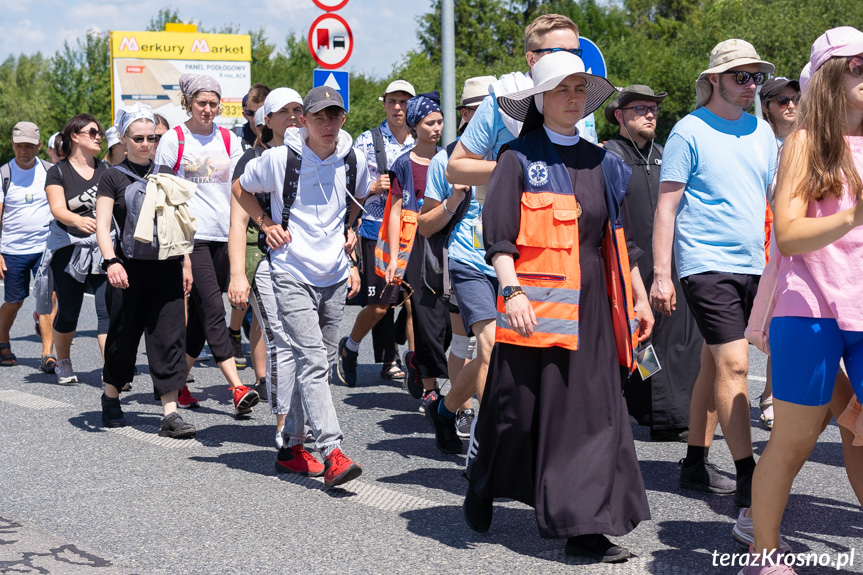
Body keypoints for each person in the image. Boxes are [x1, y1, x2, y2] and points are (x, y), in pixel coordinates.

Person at [463, 51, 653, 563]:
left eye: (579, 89)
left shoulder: (605, 162)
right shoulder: (516, 158)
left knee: (593, 414)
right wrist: (511, 291)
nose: (572, 97)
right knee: (517, 414)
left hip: (594, 308)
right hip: (534, 306)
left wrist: (638, 295)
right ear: (541, 99)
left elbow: (623, 239)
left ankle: (585, 528)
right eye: (562, 88)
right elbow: (498, 238)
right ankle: (483, 480)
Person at [740, 27, 863, 574]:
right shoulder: (805, 143)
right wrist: (852, 215)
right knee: (793, 438)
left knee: (860, 432)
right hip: (807, 308)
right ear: (832, 78)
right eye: (857, 67)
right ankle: (764, 553)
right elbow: (788, 235)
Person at [445, 12, 584, 465]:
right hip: (483, 250)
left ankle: (446, 409)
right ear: (531, 58)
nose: (570, 63)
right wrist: (518, 171)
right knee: (490, 346)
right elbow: (456, 167)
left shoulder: (579, 104)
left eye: (576, 54)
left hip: (547, 260)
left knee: (514, 358)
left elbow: (585, 172)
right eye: (558, 53)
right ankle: (492, 455)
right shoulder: (501, 101)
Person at [650, 39, 778, 508]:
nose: (750, 86)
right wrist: (661, 274)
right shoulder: (688, 131)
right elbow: (666, 208)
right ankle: (749, 479)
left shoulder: (762, 132)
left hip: (754, 264)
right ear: (714, 80)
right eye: (740, 77)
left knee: (714, 363)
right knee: (736, 364)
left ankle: (694, 462)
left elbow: (778, 201)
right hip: (705, 265)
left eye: (756, 77)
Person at [233, 86, 369, 488]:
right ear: (304, 121)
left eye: (334, 116)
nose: (327, 125)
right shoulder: (279, 160)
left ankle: (292, 446)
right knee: (311, 360)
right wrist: (267, 225)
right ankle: (332, 451)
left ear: (343, 119)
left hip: (334, 276)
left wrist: (350, 232)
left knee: (321, 364)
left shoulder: (353, 158)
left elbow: (357, 201)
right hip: (290, 272)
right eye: (319, 117)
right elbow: (240, 189)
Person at [153, 73, 259, 416]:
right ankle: (236, 386)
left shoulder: (229, 139)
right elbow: (162, 196)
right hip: (190, 238)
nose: (208, 109)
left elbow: (241, 188)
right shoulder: (174, 139)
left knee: (200, 318)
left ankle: (175, 384)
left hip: (225, 236)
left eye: (214, 103)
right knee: (214, 307)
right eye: (202, 103)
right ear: (188, 103)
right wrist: (180, 251)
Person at [603, 86, 702, 442]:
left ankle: (672, 415)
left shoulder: (665, 156)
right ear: (619, 116)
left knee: (674, 340)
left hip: (666, 263)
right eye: (641, 109)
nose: (650, 115)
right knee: (639, 341)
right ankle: (644, 409)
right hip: (626, 264)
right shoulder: (608, 156)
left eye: (654, 110)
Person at [95, 103, 196, 437]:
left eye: (151, 137)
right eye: (137, 138)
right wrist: (111, 261)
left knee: (169, 339)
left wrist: (186, 262)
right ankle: (111, 396)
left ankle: (170, 413)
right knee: (123, 340)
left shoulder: (166, 173)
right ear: (124, 139)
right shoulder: (112, 176)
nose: (145, 144)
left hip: (167, 267)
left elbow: (179, 225)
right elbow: (102, 224)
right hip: (128, 270)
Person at [418, 76, 496, 450]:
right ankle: (482, 431)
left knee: (490, 350)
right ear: (465, 114)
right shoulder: (444, 160)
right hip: (466, 264)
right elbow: (424, 225)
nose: (490, 117)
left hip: (510, 264)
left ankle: (447, 409)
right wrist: (452, 200)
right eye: (481, 109)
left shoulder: (511, 153)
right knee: (478, 344)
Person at [228, 87, 305, 450]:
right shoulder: (250, 161)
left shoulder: (313, 154)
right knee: (280, 340)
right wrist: (238, 274)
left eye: (298, 109)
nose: (293, 116)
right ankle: (283, 425)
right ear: (267, 120)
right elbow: (237, 223)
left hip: (306, 263)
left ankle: (304, 419)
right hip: (263, 261)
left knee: (309, 344)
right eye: (284, 111)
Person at [377, 93, 452, 415]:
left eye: (439, 122)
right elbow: (394, 211)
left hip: (447, 242)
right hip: (415, 247)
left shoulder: (450, 158)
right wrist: (394, 257)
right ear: (415, 126)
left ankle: (416, 360)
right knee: (425, 318)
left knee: (450, 323)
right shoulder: (403, 164)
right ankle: (431, 390)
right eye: (429, 123)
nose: (437, 128)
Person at [337, 80, 417, 386]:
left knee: (413, 301)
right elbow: (344, 185)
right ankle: (351, 347)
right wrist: (372, 188)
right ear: (384, 104)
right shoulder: (366, 141)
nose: (398, 107)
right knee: (381, 303)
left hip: (412, 233)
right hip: (375, 230)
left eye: (404, 101)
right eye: (393, 101)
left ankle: (414, 367)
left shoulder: (420, 138)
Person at [37, 114, 111, 385]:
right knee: (69, 311)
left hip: (101, 248)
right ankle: (64, 361)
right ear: (75, 136)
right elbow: (57, 208)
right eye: (92, 131)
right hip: (69, 248)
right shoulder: (58, 171)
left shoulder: (105, 170)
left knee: (107, 310)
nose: (98, 135)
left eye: (99, 132)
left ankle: (111, 369)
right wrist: (78, 219)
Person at [751, 76, 801, 431]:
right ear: (767, 107)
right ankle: (767, 394)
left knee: (788, 324)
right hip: (767, 244)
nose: (790, 105)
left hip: (802, 244)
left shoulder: (810, 140)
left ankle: (775, 394)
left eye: (795, 98)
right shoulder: (762, 143)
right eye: (781, 100)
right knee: (771, 326)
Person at [0, 122, 56, 372]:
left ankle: (48, 353)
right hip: (12, 250)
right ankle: (2, 341)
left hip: (44, 248)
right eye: (20, 145)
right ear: (12, 145)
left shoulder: (50, 171)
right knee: (14, 300)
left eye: (30, 146)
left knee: (47, 299)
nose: (24, 151)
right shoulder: (4, 175)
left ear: (39, 146)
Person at [234, 84, 271, 150]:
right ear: (245, 113)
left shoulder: (281, 136)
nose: (254, 119)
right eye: (250, 113)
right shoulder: (234, 136)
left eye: (260, 113)